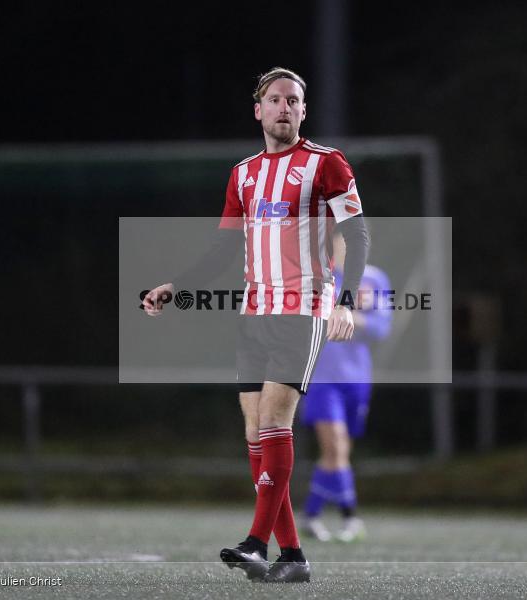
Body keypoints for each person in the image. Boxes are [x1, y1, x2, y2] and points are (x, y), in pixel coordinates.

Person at [142, 67, 370, 584]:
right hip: (254, 311)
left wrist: (345, 300)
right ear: (258, 110)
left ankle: (255, 542)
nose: (284, 107)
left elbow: (357, 235)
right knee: (254, 431)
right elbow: (224, 246)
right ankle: (293, 556)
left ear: (304, 111)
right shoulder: (243, 174)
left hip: (303, 308)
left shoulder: (326, 163)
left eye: (293, 100)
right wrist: (176, 285)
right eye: (275, 99)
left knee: (274, 420)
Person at [300, 232, 392, 543]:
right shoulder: (317, 280)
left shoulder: (375, 279)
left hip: (357, 378)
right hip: (322, 378)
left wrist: (353, 316)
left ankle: (311, 515)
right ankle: (351, 517)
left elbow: (381, 327)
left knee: (336, 454)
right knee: (336, 447)